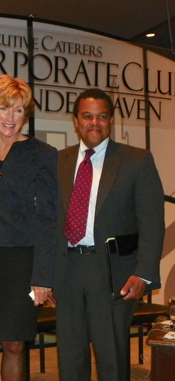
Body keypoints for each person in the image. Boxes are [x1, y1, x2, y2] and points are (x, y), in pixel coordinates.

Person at [55, 88, 165, 381]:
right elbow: (48, 222)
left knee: (112, 359)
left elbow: (152, 223)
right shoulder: (59, 161)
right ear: (76, 121)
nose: (94, 123)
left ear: (111, 120)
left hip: (114, 273)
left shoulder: (136, 160)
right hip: (67, 270)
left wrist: (143, 274)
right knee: (70, 356)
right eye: (87, 116)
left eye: (101, 117)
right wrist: (44, 274)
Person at [0, 74, 58, 381]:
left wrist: (43, 276)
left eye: (19, 110)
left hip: (22, 259)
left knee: (16, 344)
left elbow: (48, 218)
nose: (11, 118)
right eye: (4, 108)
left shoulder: (43, 154)